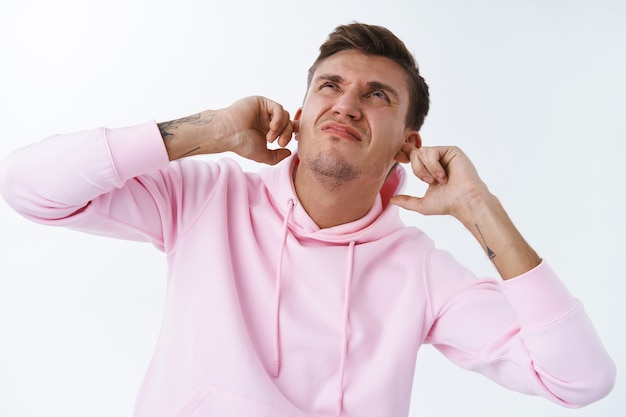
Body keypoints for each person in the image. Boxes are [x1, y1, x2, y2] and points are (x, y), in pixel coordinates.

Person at [0, 23, 615, 417]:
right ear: (301, 111)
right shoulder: (206, 197)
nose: (346, 103)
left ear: (407, 144)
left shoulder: (421, 273)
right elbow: (28, 188)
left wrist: (479, 209)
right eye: (330, 86)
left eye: (378, 95)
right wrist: (208, 130)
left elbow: (579, 379)